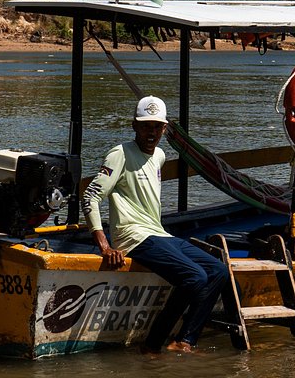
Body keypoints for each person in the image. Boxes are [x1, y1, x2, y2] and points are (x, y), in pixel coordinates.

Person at [82, 95, 228, 354]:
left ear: (164, 129)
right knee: (195, 276)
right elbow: (91, 196)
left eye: (157, 127)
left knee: (218, 271)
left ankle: (185, 341)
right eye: (146, 126)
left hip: (158, 233)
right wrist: (105, 245)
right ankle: (152, 344)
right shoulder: (120, 154)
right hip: (133, 236)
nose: (152, 133)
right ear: (134, 126)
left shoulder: (159, 155)